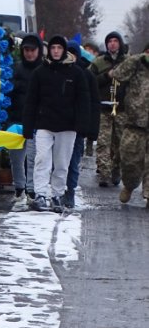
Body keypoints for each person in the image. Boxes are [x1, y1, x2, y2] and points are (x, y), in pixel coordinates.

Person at [23, 35, 90, 212]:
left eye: (59, 48)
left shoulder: (76, 73)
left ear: (64, 50)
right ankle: (40, 194)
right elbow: (31, 101)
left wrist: (82, 126)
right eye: (53, 48)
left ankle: (57, 195)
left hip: (68, 125)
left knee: (62, 163)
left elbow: (83, 101)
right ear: (49, 50)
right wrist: (28, 126)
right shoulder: (40, 72)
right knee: (42, 159)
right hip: (44, 123)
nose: (56, 51)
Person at [8, 34, 43, 209]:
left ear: (39, 51)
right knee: (16, 158)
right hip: (16, 119)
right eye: (26, 50)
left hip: (36, 121)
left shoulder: (43, 70)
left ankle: (31, 190)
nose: (29, 53)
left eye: (32, 50)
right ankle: (19, 188)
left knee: (33, 158)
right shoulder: (16, 69)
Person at [89, 31, 128, 187]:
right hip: (104, 108)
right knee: (103, 142)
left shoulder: (127, 61)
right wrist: (107, 76)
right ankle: (104, 173)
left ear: (120, 43)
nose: (112, 44)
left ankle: (116, 169)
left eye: (115, 41)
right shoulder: (99, 62)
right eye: (110, 41)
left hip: (121, 109)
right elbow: (90, 80)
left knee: (119, 143)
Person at [63, 42, 100, 208]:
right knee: (59, 161)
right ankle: (58, 190)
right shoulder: (58, 71)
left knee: (73, 161)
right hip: (59, 124)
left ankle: (70, 190)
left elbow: (94, 104)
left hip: (78, 127)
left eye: (73, 53)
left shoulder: (87, 75)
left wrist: (92, 130)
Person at [111, 51, 149, 205]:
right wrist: (136, 59)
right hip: (135, 124)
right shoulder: (137, 64)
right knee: (130, 161)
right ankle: (129, 185)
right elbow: (117, 74)